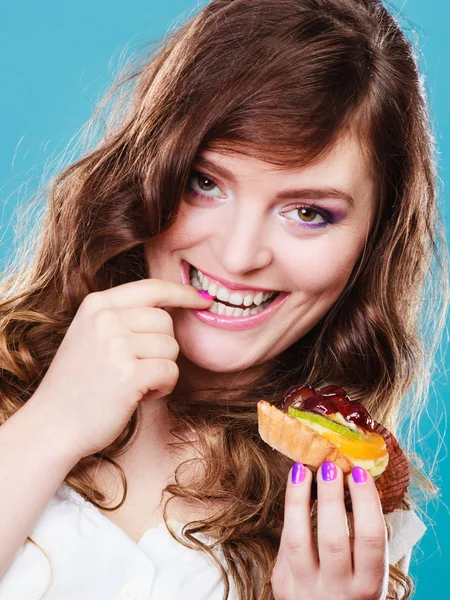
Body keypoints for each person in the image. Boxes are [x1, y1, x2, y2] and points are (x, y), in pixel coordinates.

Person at [0, 0, 447, 598]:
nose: (239, 256)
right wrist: (47, 428)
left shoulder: (343, 515)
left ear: (373, 239)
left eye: (309, 212)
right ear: (146, 170)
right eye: (204, 182)